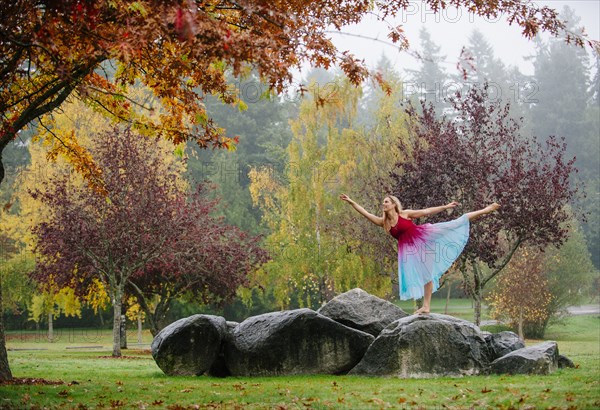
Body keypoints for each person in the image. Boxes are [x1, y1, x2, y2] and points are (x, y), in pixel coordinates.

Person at [340, 194, 500, 314]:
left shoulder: (405, 214)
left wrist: (445, 207)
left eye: (386, 202)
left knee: (456, 223)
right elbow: (365, 213)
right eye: (383, 202)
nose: (383, 204)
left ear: (394, 204)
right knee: (425, 275)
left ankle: (487, 209)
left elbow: (426, 211)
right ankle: (426, 306)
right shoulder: (384, 223)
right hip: (409, 252)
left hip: (424, 238)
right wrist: (351, 202)